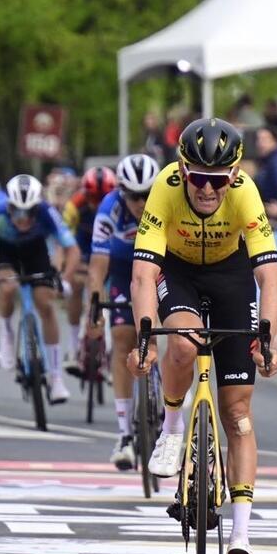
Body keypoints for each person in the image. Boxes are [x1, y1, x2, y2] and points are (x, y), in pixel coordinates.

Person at [127, 118, 277, 554]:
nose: (207, 190)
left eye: (218, 181)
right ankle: (173, 427)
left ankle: (240, 535)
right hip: (177, 272)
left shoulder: (246, 193)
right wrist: (143, 336)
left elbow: (269, 276)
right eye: (198, 178)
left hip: (232, 276)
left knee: (238, 415)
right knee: (181, 341)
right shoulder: (165, 187)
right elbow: (141, 275)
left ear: (233, 176)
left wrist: (269, 339)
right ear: (182, 169)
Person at [88, 154, 161, 470]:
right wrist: (95, 308)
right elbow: (97, 266)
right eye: (134, 195)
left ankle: (171, 411)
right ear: (121, 192)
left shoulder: (166, 204)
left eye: (147, 194)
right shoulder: (109, 210)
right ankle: (125, 435)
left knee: (172, 329)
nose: (141, 202)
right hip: (121, 271)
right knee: (121, 339)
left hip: (161, 269)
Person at [0, 175, 80, 403]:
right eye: (17, 212)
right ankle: (6, 333)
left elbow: (72, 250)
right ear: (9, 207)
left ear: (37, 208)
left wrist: (65, 279)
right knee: (6, 287)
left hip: (35, 251)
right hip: (5, 251)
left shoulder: (47, 212)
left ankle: (55, 378)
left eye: (29, 213)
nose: (23, 219)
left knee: (45, 303)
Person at [63, 166, 117, 374]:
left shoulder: (118, 205)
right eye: (92, 198)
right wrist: (65, 268)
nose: (96, 203)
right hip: (83, 250)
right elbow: (64, 242)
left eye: (102, 198)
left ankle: (114, 350)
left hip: (112, 251)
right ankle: (73, 344)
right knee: (77, 284)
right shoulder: (74, 205)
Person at [254, 127, 277, 220]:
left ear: (275, 141)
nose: (260, 143)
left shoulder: (275, 162)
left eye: (264, 139)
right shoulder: (265, 161)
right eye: (258, 139)